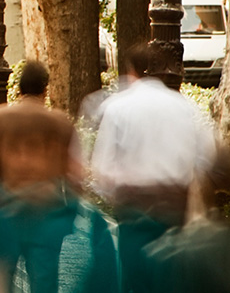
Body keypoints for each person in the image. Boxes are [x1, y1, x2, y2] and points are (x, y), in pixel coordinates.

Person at [91, 43, 217, 293]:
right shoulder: (184, 106)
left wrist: (112, 195)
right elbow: (207, 155)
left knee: (135, 278)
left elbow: (102, 167)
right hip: (175, 206)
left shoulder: (117, 106)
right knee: (171, 278)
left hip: (134, 207)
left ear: (132, 71)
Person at [0, 61, 98, 293]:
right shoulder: (60, 123)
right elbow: (75, 176)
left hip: (5, 212)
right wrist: (68, 215)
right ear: (45, 90)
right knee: (44, 283)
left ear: (19, 88)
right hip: (46, 216)